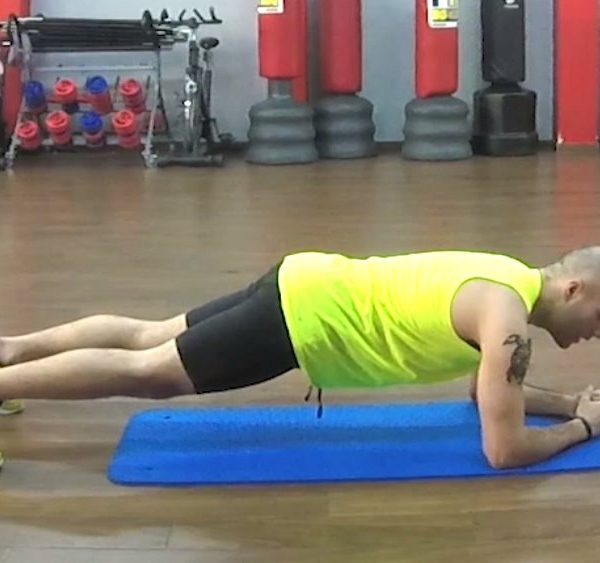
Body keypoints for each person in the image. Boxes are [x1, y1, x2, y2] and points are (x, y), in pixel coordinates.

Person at [2, 246, 600, 472]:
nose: (597, 333)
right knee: (150, 374)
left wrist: (571, 401)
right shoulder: (506, 323)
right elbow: (504, 451)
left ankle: (12, 351)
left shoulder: (505, 279)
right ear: (574, 289)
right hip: (302, 321)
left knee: (148, 336)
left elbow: (485, 393)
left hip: (301, 279)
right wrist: (584, 428)